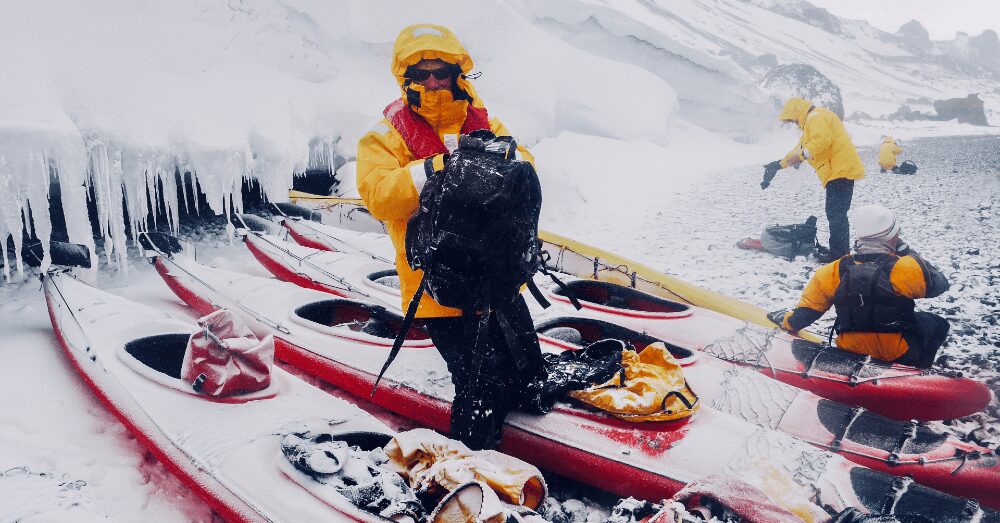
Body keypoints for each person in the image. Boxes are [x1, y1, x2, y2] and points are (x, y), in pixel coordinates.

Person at [356, 24, 542, 450]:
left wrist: (500, 160)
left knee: (526, 371)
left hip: (496, 279)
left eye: (441, 71)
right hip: (437, 288)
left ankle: (532, 441)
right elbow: (379, 196)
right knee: (482, 385)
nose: (433, 81)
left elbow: (526, 164)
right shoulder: (384, 137)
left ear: (458, 71)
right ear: (407, 79)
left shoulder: (486, 123)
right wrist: (437, 169)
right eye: (422, 74)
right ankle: (467, 470)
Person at [768, 205, 950, 368]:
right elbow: (940, 284)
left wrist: (787, 321)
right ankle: (919, 372)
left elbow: (806, 314)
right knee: (937, 324)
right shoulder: (905, 267)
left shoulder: (833, 270)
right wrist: (909, 252)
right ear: (893, 237)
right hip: (899, 352)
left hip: (849, 349)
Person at [760, 97, 865, 262]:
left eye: (792, 119)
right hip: (837, 171)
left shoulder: (816, 117)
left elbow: (822, 141)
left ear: (796, 112)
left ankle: (839, 255)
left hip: (840, 170)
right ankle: (839, 252)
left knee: (836, 214)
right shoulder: (813, 122)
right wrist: (778, 165)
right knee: (836, 214)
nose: (794, 122)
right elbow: (798, 149)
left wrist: (802, 156)